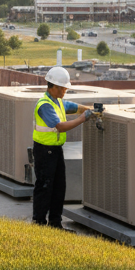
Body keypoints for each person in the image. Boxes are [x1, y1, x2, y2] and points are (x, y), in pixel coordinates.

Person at [31, 66, 93, 229]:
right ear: (56, 87)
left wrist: (90, 110)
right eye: (64, 87)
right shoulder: (45, 105)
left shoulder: (58, 102)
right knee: (45, 187)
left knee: (59, 187)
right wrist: (82, 119)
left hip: (55, 151)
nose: (66, 90)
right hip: (44, 151)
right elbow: (60, 126)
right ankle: (38, 223)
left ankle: (55, 224)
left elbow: (75, 107)